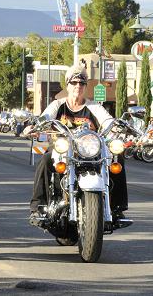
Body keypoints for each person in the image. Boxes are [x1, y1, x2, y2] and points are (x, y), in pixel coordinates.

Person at [26, 64, 128, 226]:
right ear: (67, 85)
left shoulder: (93, 106)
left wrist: (116, 127)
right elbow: (46, 117)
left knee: (117, 159)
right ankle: (38, 208)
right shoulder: (58, 105)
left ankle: (116, 208)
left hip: (89, 151)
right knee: (45, 160)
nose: (78, 86)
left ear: (86, 86)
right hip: (62, 149)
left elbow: (107, 119)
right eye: (74, 83)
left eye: (82, 83)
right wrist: (36, 125)